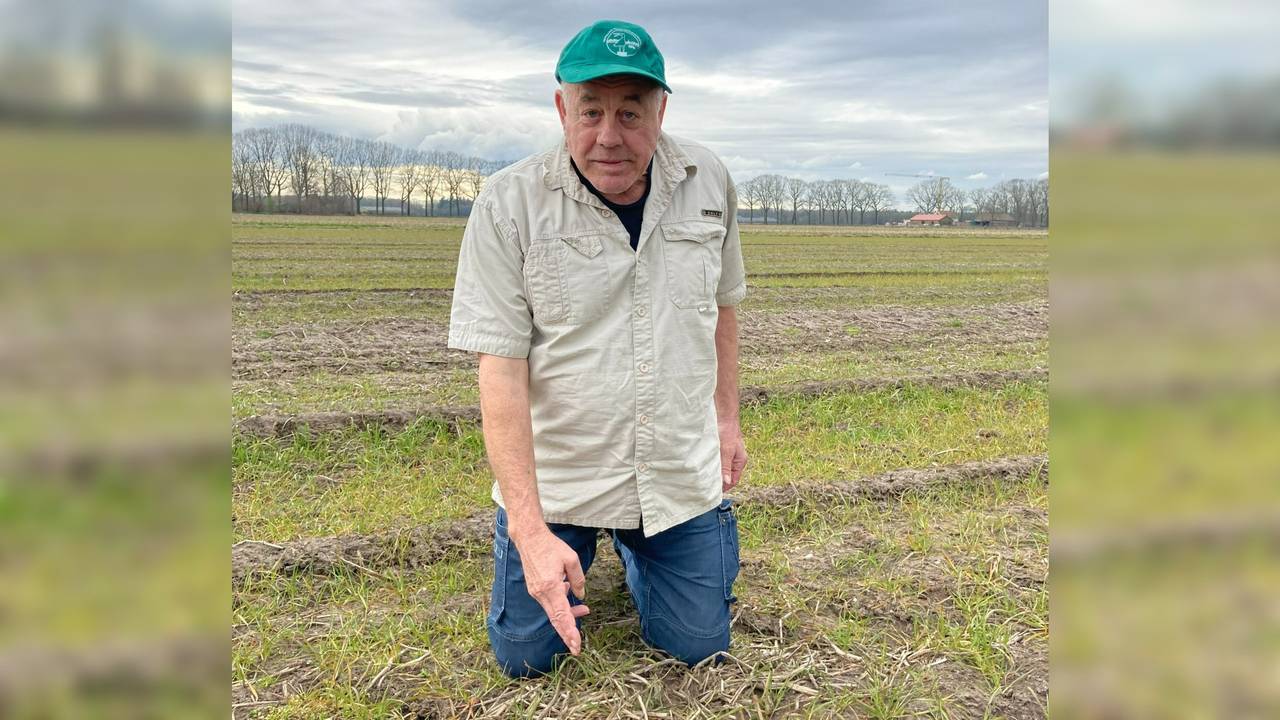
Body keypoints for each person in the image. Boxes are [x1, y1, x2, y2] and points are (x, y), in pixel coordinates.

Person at [447, 19, 749, 679]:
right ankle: (572, 546)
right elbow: (500, 370)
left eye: (631, 113)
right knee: (528, 659)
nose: (610, 135)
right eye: (591, 111)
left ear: (662, 110)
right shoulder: (509, 206)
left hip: (675, 474)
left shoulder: (709, 182)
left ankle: (644, 555)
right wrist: (528, 531)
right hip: (563, 481)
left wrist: (726, 420)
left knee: (699, 649)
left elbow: (722, 308)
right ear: (562, 109)